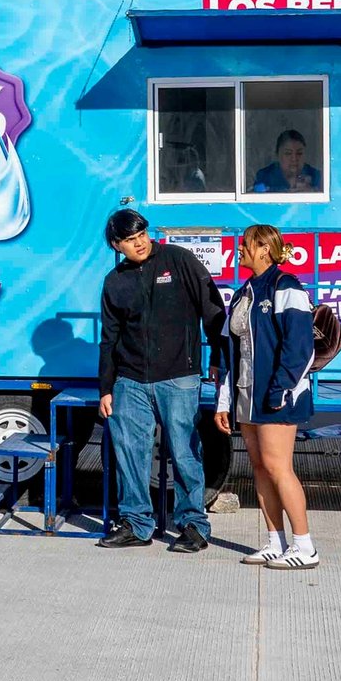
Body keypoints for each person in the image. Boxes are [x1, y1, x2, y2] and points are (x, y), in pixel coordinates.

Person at [96, 208, 227, 553]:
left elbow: (213, 310)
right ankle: (136, 524)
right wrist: (106, 388)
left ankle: (193, 526)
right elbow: (109, 338)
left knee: (184, 451)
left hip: (179, 376)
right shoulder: (115, 282)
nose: (139, 243)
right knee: (130, 453)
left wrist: (218, 356)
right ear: (117, 245)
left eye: (142, 235)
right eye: (130, 239)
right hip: (129, 381)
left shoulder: (179, 260)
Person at [215, 224, 319, 570]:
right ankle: (276, 541)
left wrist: (281, 388)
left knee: (278, 467)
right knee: (260, 467)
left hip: (276, 394)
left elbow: (300, 347)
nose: (239, 249)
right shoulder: (243, 292)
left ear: (263, 249)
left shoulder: (285, 286)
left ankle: (305, 546)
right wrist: (224, 400)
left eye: (245, 244)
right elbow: (230, 350)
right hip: (247, 393)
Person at [252, 129, 322, 194]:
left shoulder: (316, 176)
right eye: (288, 153)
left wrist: (312, 191)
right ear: (277, 155)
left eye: (299, 153)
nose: (294, 159)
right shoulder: (264, 176)